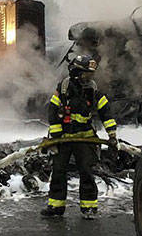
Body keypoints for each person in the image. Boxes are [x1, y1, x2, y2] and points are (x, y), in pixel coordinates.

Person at [42, 54, 118, 219]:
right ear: (76, 72)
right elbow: (53, 110)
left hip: (85, 138)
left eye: (90, 74)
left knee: (86, 172)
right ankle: (56, 207)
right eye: (86, 73)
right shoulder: (64, 87)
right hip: (63, 138)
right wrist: (55, 135)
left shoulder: (93, 89)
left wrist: (112, 134)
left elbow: (106, 112)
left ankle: (89, 208)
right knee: (58, 172)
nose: (89, 77)